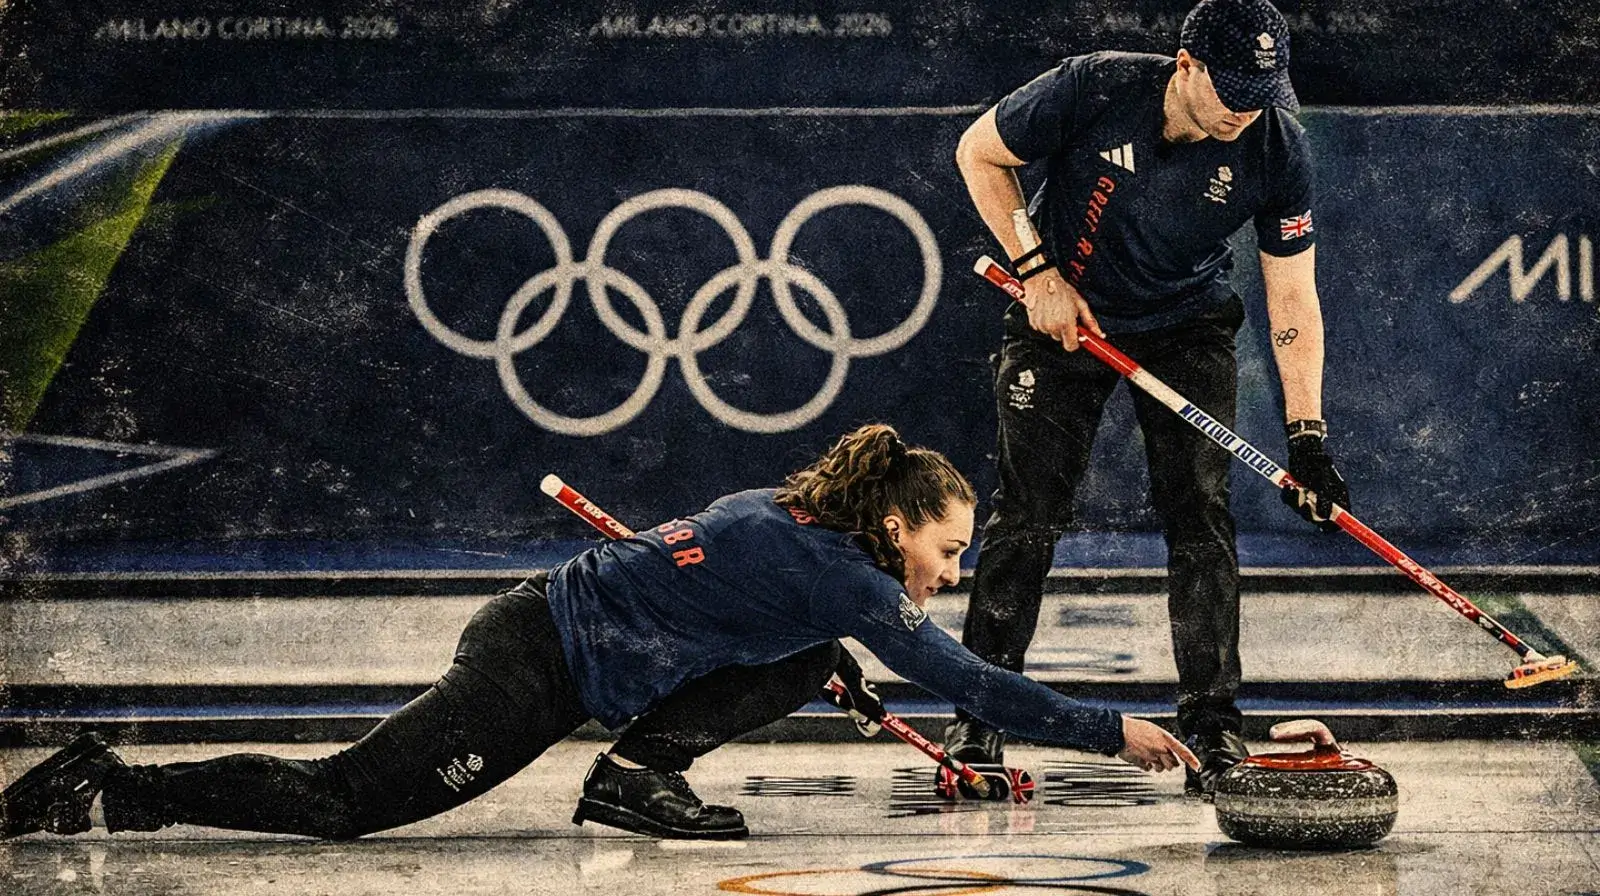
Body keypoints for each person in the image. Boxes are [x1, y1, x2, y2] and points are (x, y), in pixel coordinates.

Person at [1, 423, 1196, 843]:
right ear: (892, 525)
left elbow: (772, 622)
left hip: (571, 642)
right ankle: (114, 784)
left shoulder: (799, 525)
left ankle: (635, 773)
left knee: (813, 658)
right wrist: (1114, 726)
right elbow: (960, 671)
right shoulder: (843, 576)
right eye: (947, 549)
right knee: (344, 800)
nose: (952, 570)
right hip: (534, 662)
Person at [947, 0, 1351, 798]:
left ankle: (1214, 727)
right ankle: (979, 712)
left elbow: (1293, 298)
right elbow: (978, 153)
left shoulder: (1276, 146)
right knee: (1028, 512)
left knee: (1200, 514)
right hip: (1063, 313)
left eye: (1259, 90)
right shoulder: (1094, 87)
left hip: (1186, 325)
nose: (1244, 107)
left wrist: (1308, 436)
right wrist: (1036, 272)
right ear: (1186, 63)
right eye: (1229, 87)